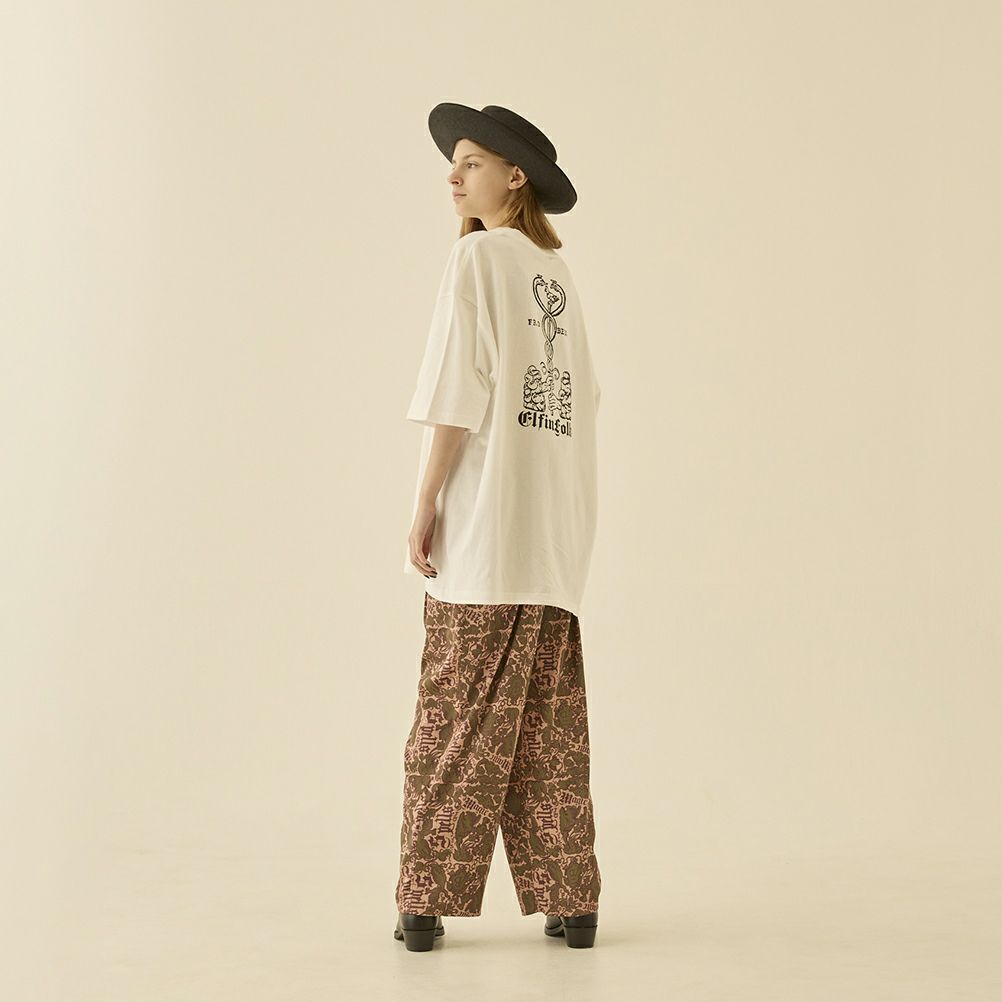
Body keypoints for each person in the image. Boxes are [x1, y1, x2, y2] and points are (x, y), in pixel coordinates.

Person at [393, 103, 603, 952]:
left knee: (454, 723)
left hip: (487, 533)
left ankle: (423, 902)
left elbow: (459, 387)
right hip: (553, 537)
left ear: (516, 177)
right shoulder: (558, 278)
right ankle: (573, 901)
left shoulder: (478, 257)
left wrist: (426, 501)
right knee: (547, 729)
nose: (453, 177)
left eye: (471, 163)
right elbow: (583, 402)